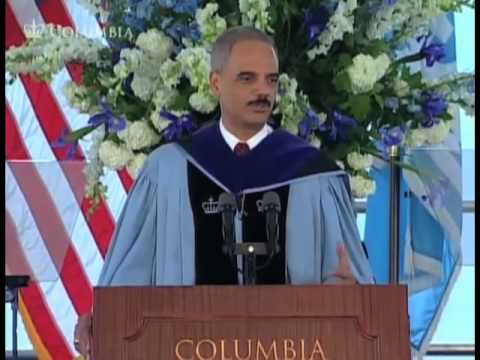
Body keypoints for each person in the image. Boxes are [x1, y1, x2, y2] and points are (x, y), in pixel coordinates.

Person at [74, 26, 374, 358]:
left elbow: (350, 287)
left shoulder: (313, 174)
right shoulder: (168, 171)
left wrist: (351, 295)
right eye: (247, 78)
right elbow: (131, 278)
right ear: (216, 83)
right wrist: (103, 320)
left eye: (271, 80)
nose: (263, 91)